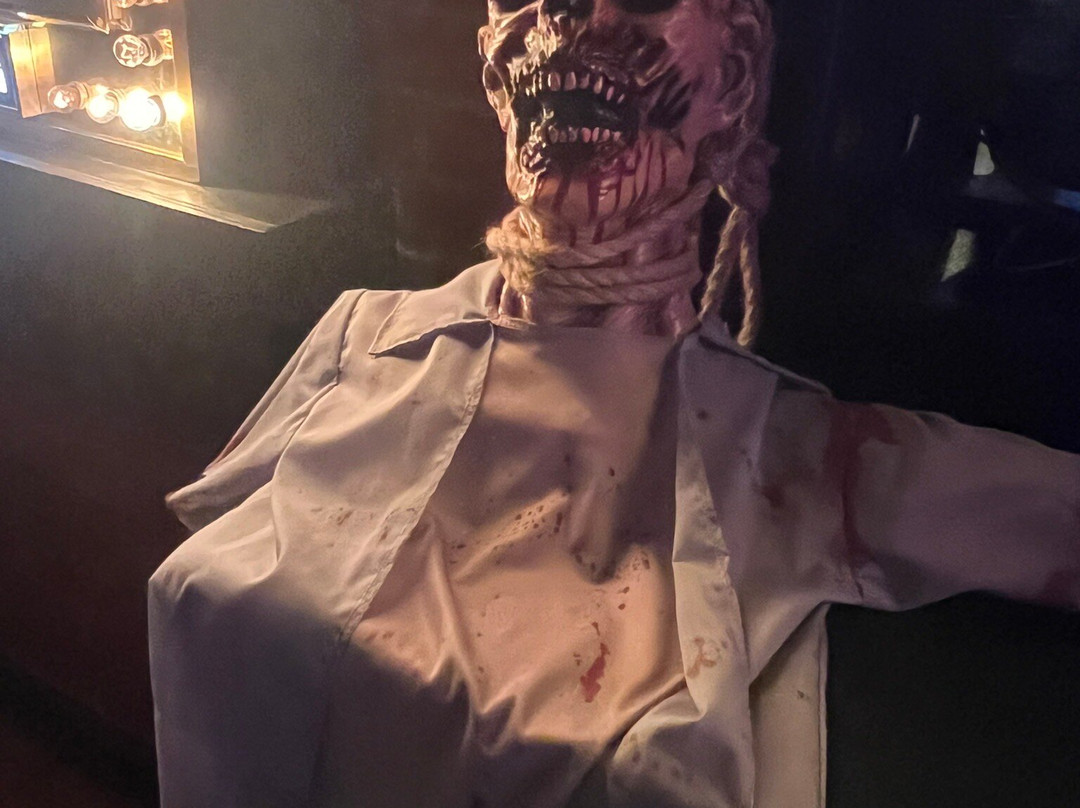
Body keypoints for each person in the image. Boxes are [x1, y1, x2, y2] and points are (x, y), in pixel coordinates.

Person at [149, 1, 1080, 806]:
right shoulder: (362, 340)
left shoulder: (784, 452)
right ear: (492, 61)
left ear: (733, 76)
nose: (569, 19)